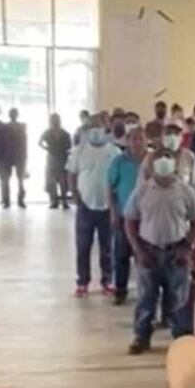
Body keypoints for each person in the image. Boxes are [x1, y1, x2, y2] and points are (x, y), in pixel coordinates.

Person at [124, 146, 195, 355]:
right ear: (152, 163)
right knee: (145, 297)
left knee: (180, 298)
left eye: (167, 157)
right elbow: (130, 221)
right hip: (148, 250)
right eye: (158, 158)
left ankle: (182, 339)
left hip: (176, 251)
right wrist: (138, 250)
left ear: (175, 163)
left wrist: (187, 248)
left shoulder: (186, 191)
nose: (163, 161)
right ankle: (141, 337)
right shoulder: (142, 190)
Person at [68, 116, 120, 298]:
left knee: (107, 247)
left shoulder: (114, 152)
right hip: (85, 207)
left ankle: (107, 281)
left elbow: (117, 178)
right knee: (83, 246)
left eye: (99, 127)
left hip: (107, 207)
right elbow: (72, 176)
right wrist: (76, 198)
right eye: (92, 127)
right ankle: (82, 282)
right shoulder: (79, 151)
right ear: (87, 130)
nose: (96, 130)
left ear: (105, 129)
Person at [108, 126, 149, 305]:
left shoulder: (152, 159)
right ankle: (120, 290)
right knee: (121, 254)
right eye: (133, 138)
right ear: (128, 140)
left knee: (146, 255)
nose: (137, 142)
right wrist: (113, 211)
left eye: (140, 138)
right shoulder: (119, 161)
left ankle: (146, 291)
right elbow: (110, 187)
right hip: (125, 214)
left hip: (147, 217)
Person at [140, 121, 195, 202]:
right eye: (168, 133)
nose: (172, 137)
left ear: (182, 137)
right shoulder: (150, 158)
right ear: (162, 136)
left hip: (182, 208)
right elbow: (141, 187)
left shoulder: (189, 157)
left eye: (176, 133)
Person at [39, 113, 72, 210]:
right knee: (51, 181)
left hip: (62, 158)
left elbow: (70, 145)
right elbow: (39, 142)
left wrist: (65, 150)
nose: (55, 121)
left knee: (63, 181)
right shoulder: (47, 132)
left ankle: (64, 201)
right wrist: (47, 148)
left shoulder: (64, 133)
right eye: (53, 119)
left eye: (56, 119)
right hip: (52, 158)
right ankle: (54, 201)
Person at [5, 107, 28, 208]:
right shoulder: (4, 127)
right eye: (12, 114)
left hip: (19, 156)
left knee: (20, 180)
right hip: (8, 156)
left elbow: (24, 142)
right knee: (6, 179)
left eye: (15, 114)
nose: (13, 116)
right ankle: (6, 201)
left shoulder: (22, 126)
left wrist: (25, 156)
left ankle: (20, 200)